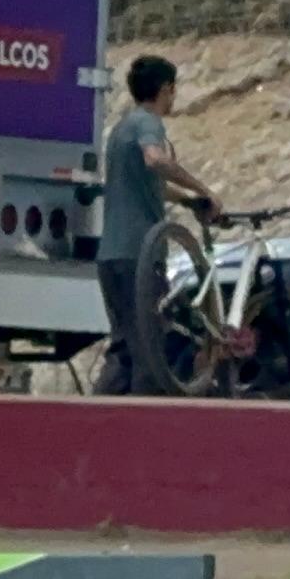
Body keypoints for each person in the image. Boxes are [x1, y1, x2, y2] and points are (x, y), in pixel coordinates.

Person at [94, 53, 219, 395]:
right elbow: (155, 159)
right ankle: (141, 421)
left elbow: (152, 184)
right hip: (140, 256)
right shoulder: (148, 123)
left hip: (111, 256)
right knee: (151, 352)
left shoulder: (120, 129)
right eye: (173, 90)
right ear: (165, 89)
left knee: (124, 349)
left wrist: (188, 201)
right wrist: (203, 189)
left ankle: (94, 416)